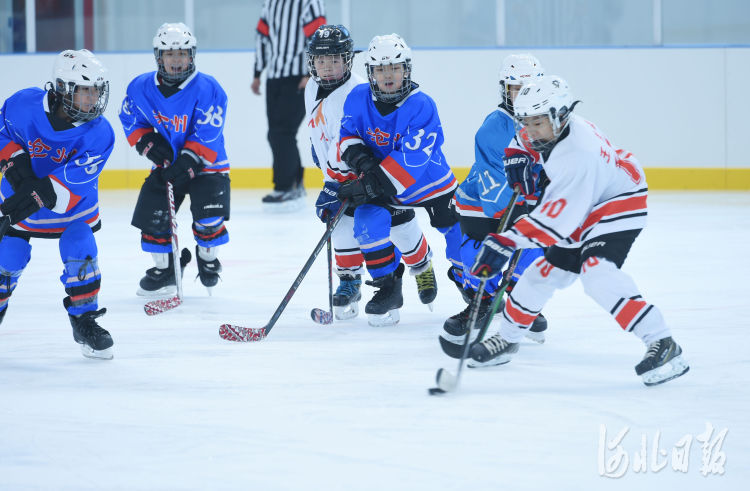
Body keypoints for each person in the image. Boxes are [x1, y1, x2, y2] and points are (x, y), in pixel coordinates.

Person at [468, 75, 689, 386]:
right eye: (525, 122)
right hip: (591, 196)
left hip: (618, 200)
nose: (530, 131)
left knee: (597, 273)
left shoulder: (578, 156)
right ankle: (507, 338)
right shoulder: (552, 125)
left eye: (537, 124)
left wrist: (505, 240)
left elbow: (555, 222)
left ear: (560, 115)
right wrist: (517, 154)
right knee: (543, 273)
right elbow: (525, 138)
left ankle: (664, 342)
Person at [305, 25, 438, 320]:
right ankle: (349, 282)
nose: (327, 68)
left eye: (335, 60)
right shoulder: (313, 88)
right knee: (340, 229)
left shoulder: (353, 92)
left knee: (400, 228)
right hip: (342, 176)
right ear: (311, 62)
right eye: (321, 61)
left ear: (349, 61)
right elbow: (323, 133)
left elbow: (351, 139)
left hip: (375, 176)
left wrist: (338, 181)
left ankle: (422, 266)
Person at [336, 33, 463, 326]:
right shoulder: (357, 97)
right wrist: (363, 162)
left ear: (406, 69)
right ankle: (388, 288)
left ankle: (470, 285)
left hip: (430, 182)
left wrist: (369, 182)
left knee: (457, 232)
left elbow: (412, 161)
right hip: (385, 181)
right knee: (366, 223)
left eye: (394, 67)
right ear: (371, 73)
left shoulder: (422, 105)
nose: (388, 75)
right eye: (380, 69)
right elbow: (347, 137)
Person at [0, 49, 115, 359]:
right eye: (85, 91)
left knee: (81, 248)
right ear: (63, 88)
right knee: (8, 255)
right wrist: (14, 163)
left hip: (73, 208)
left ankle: (84, 320)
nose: (93, 99)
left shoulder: (101, 133)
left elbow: (62, 189)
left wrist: (22, 201)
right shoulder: (24, 104)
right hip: (16, 194)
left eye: (96, 91)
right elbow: (2, 132)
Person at [439, 54, 550, 360]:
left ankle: (516, 299)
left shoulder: (550, 122)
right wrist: (520, 212)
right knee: (477, 251)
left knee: (541, 243)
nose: (523, 94)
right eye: (516, 88)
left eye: (529, 87)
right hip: (482, 206)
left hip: (524, 203)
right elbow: (494, 179)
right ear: (505, 90)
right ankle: (480, 301)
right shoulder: (494, 128)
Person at [120, 22, 230, 296]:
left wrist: (191, 159)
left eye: (182, 53)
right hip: (168, 163)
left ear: (192, 55)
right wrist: (146, 141)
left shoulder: (208, 88)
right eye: (170, 54)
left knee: (209, 216)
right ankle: (166, 271)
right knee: (153, 217)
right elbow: (130, 118)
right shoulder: (141, 87)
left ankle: (207, 258)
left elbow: (209, 131)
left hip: (207, 164)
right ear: (159, 57)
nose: (177, 60)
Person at [253, 0, 327, 210]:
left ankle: (286, 186)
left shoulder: (310, 3)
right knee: (276, 133)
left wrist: (309, 73)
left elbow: (318, 38)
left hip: (298, 77)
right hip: (274, 76)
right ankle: (294, 183)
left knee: (282, 132)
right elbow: (263, 36)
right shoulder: (271, 3)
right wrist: (258, 72)